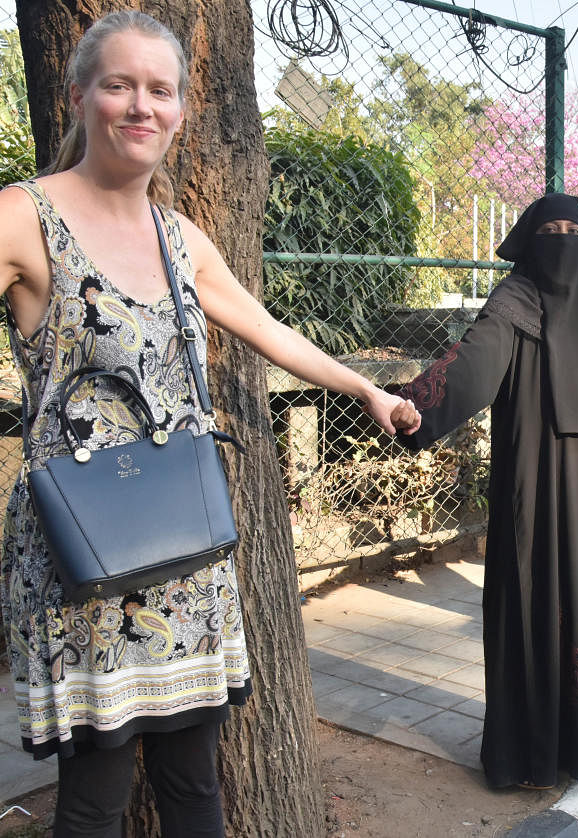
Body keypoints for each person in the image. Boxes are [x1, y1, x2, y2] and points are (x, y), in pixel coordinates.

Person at [0, 11, 421, 834]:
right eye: (118, 85)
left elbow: (268, 329)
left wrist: (364, 388)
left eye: (160, 90)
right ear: (79, 95)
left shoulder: (177, 236)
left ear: (182, 111)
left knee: (196, 786)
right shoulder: (24, 217)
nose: (139, 106)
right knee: (95, 801)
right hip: (84, 560)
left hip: (184, 551)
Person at [395, 193, 578, 789]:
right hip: (525, 484)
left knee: (576, 601)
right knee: (524, 599)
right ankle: (522, 753)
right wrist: (413, 408)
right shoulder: (512, 302)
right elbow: (470, 365)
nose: (563, 240)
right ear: (528, 238)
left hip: (576, 499)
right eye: (551, 229)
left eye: (576, 229)